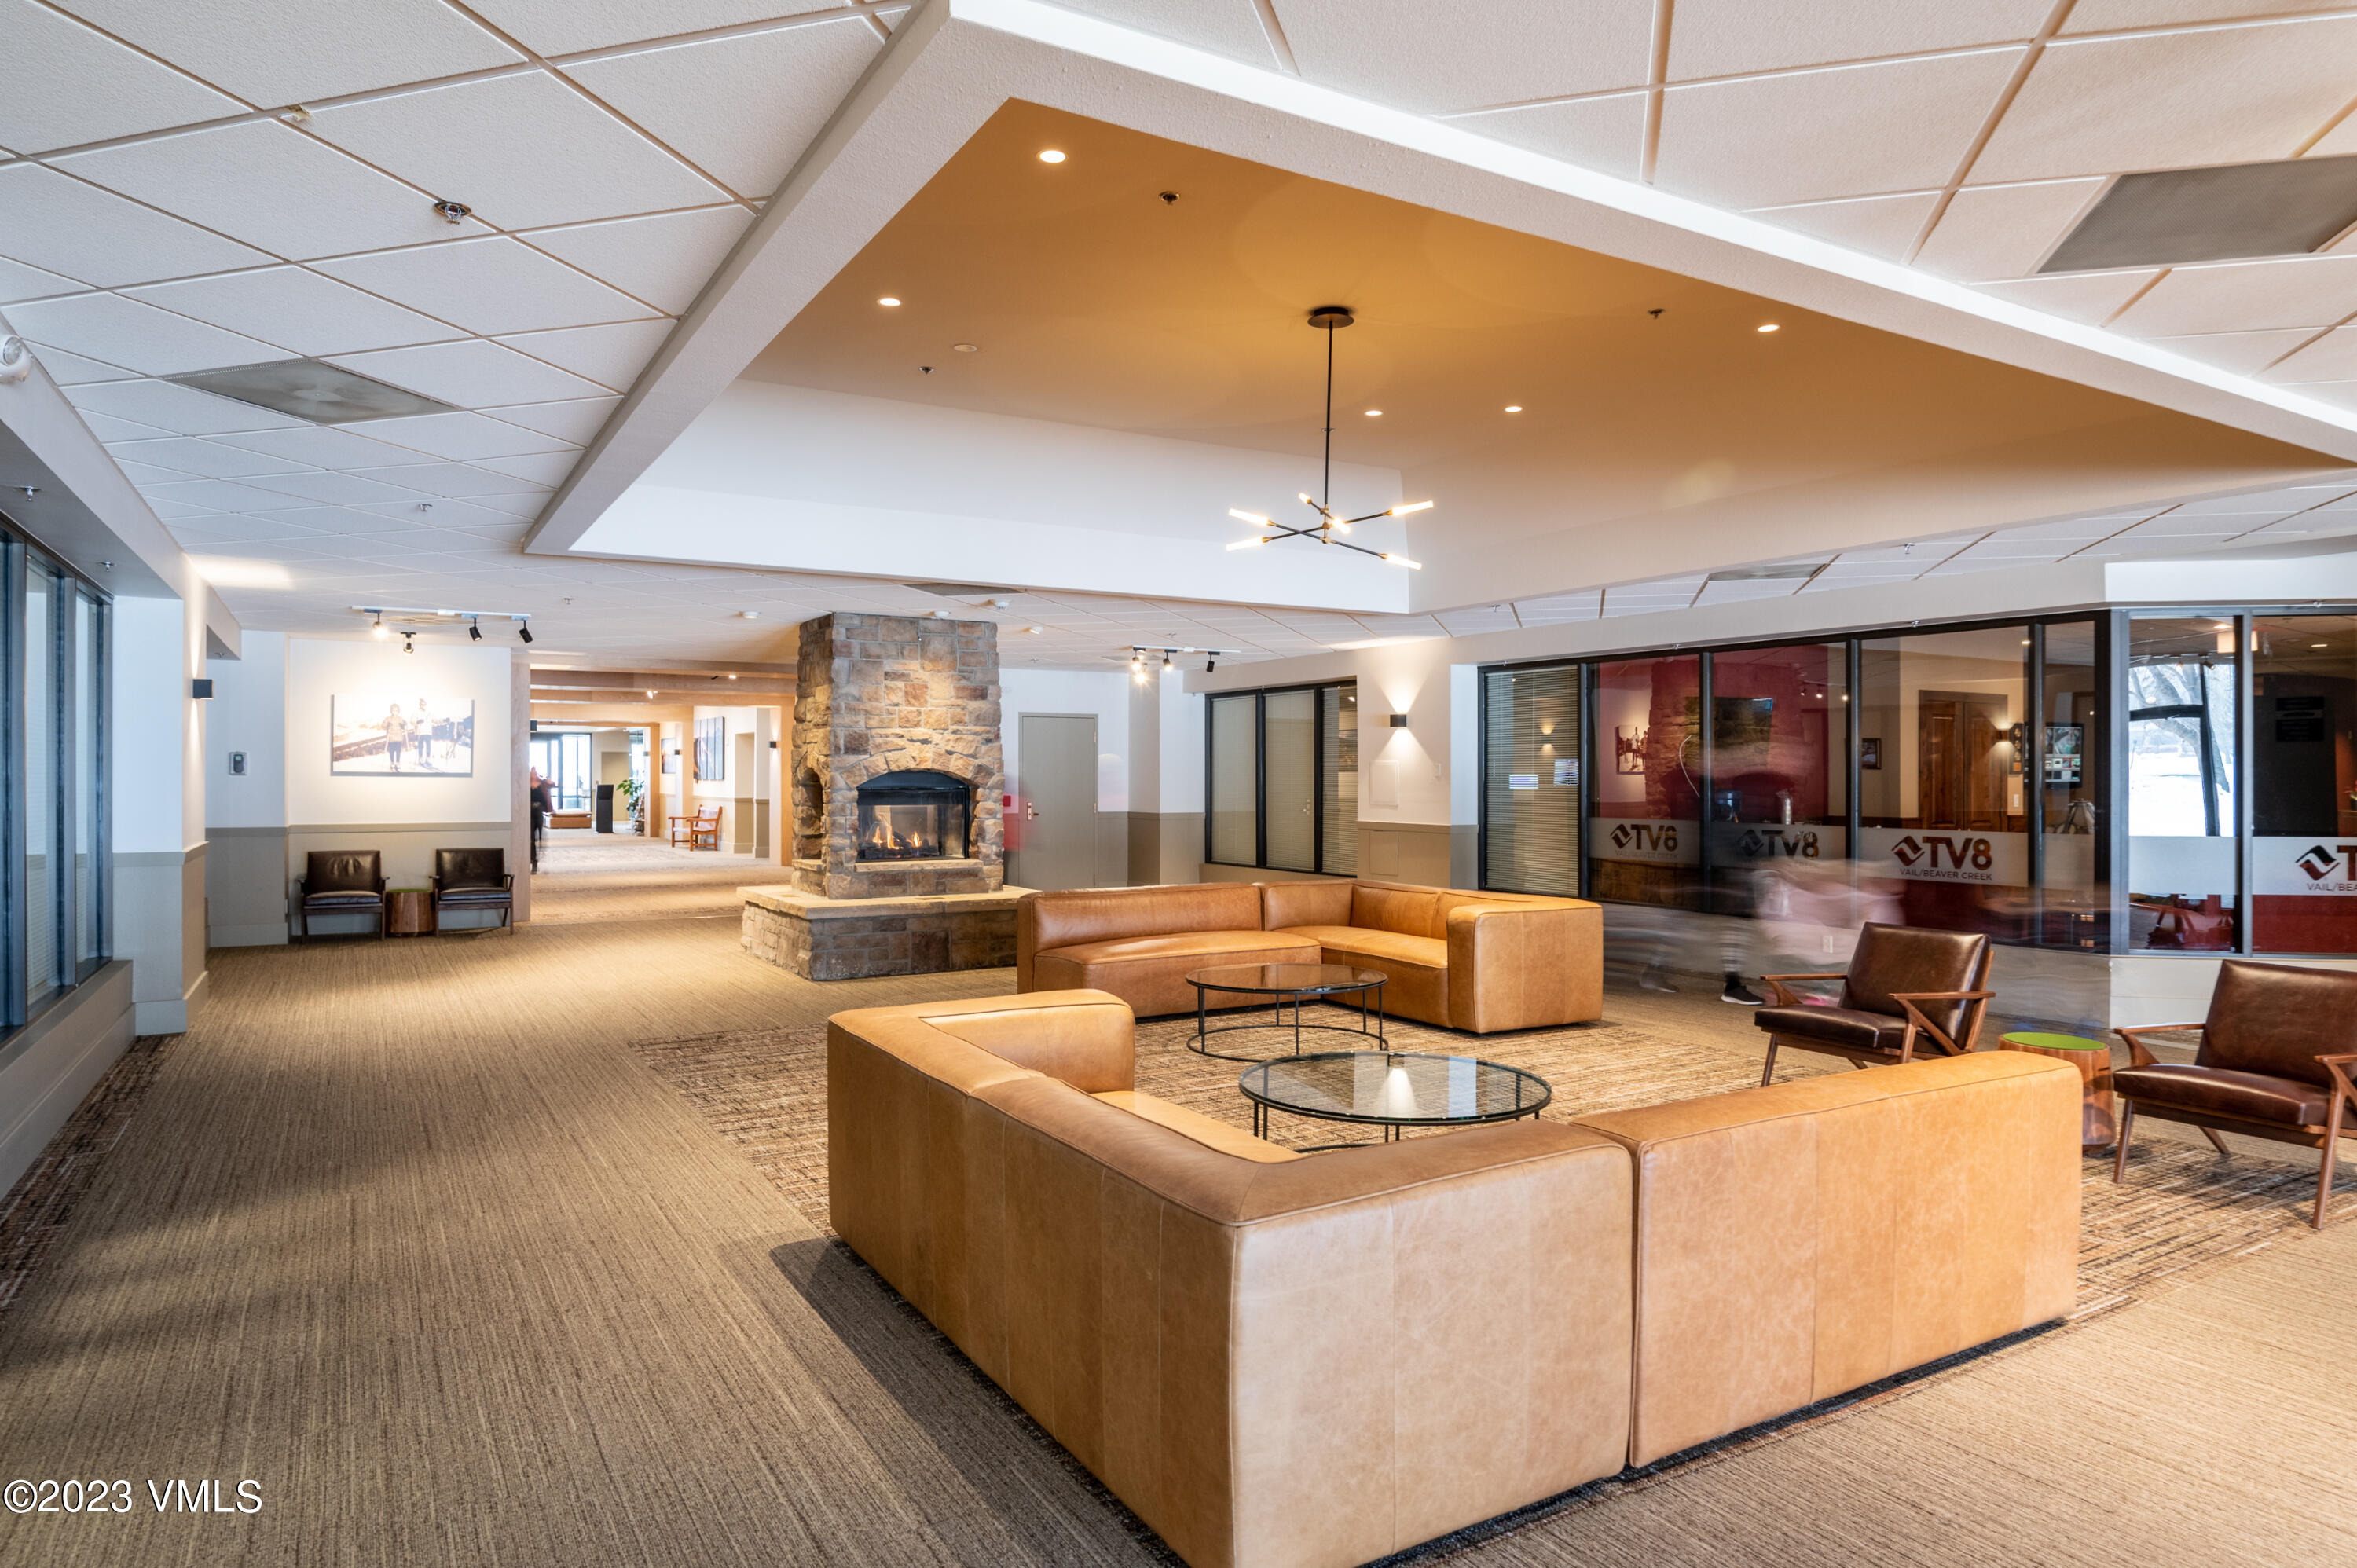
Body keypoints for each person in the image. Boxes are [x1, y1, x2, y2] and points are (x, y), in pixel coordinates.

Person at [530, 768, 552, 870]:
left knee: (541, 836)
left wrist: (547, 780)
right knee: (531, 838)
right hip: (529, 812)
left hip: (539, 811)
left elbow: (553, 784)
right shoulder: (526, 784)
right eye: (532, 772)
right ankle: (534, 860)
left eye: (535, 773)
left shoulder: (542, 783)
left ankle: (539, 852)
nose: (533, 774)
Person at [383, 704, 409, 772]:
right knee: (391, 751)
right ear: (391, 711)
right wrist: (387, 725)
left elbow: (406, 726)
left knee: (398, 751)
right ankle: (392, 763)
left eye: (396, 711)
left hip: (399, 738)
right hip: (391, 738)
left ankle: (398, 763)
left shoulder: (400, 719)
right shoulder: (388, 719)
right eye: (393, 710)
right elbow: (383, 726)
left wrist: (404, 725)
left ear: (398, 711)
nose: (395, 712)